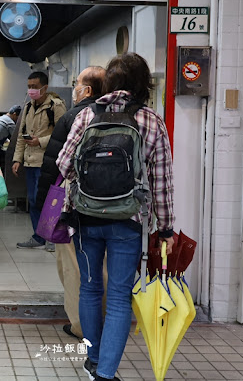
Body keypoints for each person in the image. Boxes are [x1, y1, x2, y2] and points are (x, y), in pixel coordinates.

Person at [56, 53, 175, 381]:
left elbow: (63, 166)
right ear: (143, 84)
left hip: (85, 217)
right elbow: (162, 179)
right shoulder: (151, 120)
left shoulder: (85, 116)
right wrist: (165, 227)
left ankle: (92, 360)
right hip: (128, 221)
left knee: (90, 289)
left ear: (107, 82)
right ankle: (105, 373)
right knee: (120, 296)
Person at [36, 66, 107, 340]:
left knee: (73, 264)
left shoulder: (74, 116)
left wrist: (43, 202)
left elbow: (56, 163)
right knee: (102, 265)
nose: (75, 88)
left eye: (77, 83)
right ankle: (104, 319)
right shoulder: (120, 115)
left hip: (74, 202)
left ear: (87, 90)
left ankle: (80, 325)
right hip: (112, 205)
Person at [12, 71, 66, 250]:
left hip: (47, 162)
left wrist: (40, 141)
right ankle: (39, 237)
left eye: (35, 87)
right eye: (29, 87)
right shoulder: (28, 107)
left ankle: (52, 237)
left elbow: (63, 135)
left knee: (48, 200)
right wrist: (17, 159)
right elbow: (21, 136)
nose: (31, 90)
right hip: (29, 162)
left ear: (45, 87)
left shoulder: (56, 106)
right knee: (33, 200)